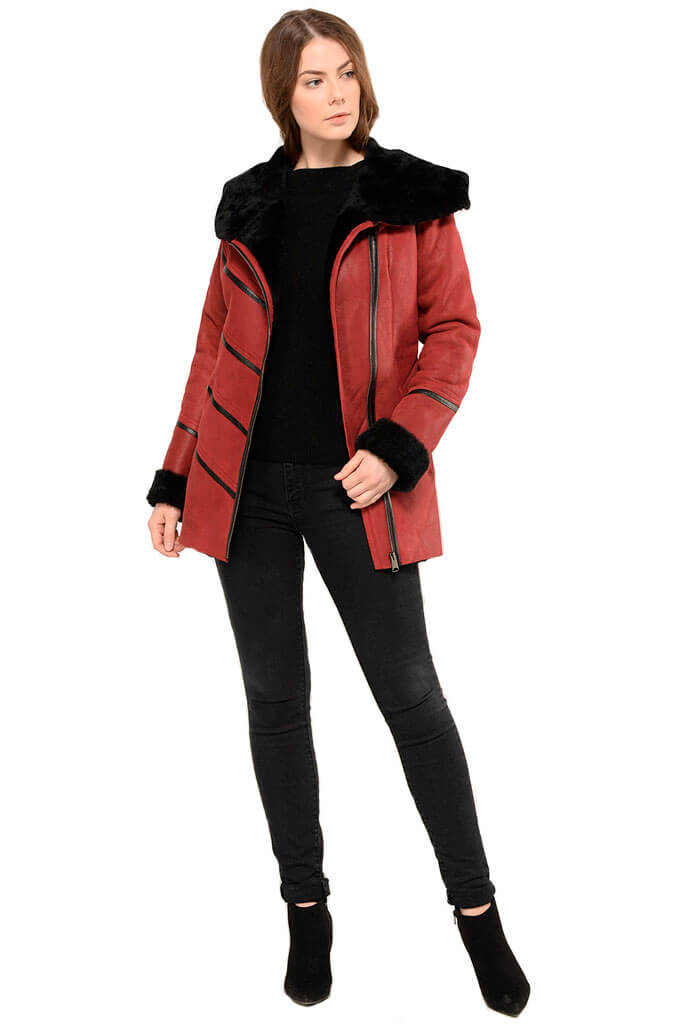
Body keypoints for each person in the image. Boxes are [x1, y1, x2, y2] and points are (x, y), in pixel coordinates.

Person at [146, 9, 530, 1017]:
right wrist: (176, 477)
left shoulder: (410, 199)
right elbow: (211, 353)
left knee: (411, 699)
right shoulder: (250, 206)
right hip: (247, 490)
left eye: (346, 72)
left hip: (361, 488)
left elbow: (454, 332)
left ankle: (477, 914)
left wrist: (397, 446)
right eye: (313, 78)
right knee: (274, 701)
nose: (335, 92)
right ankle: (306, 909)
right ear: (283, 93)